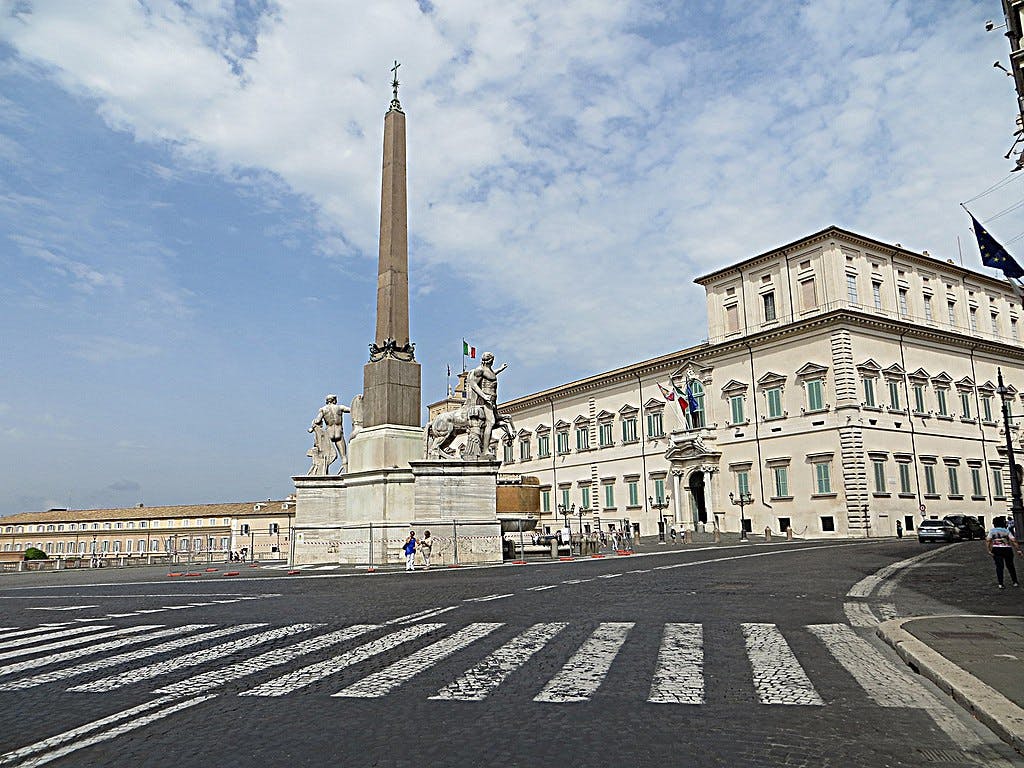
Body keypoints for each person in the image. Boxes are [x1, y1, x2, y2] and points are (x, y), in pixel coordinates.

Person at [465, 352, 508, 456]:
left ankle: (485, 448)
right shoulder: (479, 370)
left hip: (492, 400)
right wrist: (484, 396)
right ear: (490, 360)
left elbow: (491, 375)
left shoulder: (489, 370)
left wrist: (500, 369)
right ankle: (485, 450)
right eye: (492, 360)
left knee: (496, 419)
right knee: (491, 422)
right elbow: (473, 384)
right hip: (486, 401)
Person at [309, 394, 350, 474]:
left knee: (326, 455)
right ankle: (346, 472)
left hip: (329, 433)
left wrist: (313, 427)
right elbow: (352, 410)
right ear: (334, 400)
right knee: (343, 455)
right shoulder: (340, 408)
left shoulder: (323, 410)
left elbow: (317, 421)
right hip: (339, 432)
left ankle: (324, 471)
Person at [986, 516, 1022, 589]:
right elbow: (1013, 540)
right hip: (1007, 549)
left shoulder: (992, 531)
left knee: (999, 567)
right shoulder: (1006, 531)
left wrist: (989, 550)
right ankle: (1015, 582)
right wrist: (1018, 550)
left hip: (997, 549)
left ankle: (1001, 584)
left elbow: (988, 540)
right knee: (1010, 566)